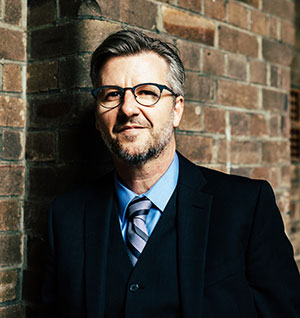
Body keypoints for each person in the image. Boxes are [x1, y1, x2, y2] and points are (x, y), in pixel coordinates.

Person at [41, 29, 300, 317]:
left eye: (147, 93)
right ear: (97, 116)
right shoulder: (65, 218)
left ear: (177, 110)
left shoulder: (246, 207)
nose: (128, 108)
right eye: (112, 94)